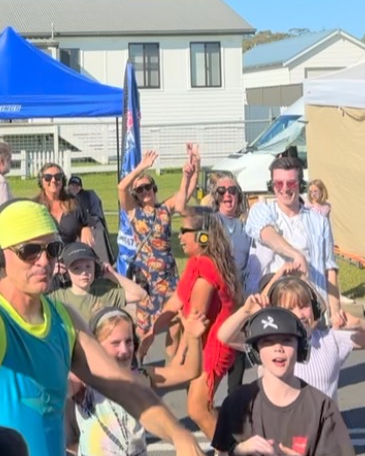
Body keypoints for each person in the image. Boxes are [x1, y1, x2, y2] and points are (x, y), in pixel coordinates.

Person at [0, 168, 206, 456]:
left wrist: (180, 436)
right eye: (29, 251)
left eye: (52, 249)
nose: (44, 261)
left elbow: (125, 386)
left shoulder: (63, 320)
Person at [139, 205, 243, 442]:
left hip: (214, 346)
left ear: (203, 236)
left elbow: (195, 320)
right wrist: (152, 332)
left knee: (198, 409)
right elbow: (175, 302)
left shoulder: (207, 270)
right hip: (203, 341)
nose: (179, 236)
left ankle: (231, 454)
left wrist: (180, 357)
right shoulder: (196, 262)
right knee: (200, 407)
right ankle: (227, 446)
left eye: (184, 231)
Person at [212, 306, 355, 456]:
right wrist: (240, 450)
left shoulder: (322, 406)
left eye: (287, 340)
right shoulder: (238, 402)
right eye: (268, 341)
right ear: (255, 351)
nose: (278, 348)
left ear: (301, 348)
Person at [231, 273, 365, 402]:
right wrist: (245, 312)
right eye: (290, 309)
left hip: (323, 431)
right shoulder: (268, 344)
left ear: (314, 309)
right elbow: (227, 336)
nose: (300, 314)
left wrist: (359, 324)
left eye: (304, 307)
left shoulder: (330, 340)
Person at [114, 144, 202, 336]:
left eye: (148, 187)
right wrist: (142, 167)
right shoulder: (133, 211)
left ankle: (174, 355)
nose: (145, 192)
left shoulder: (164, 208)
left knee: (175, 322)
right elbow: (121, 187)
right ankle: (139, 354)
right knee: (144, 328)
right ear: (135, 194)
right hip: (146, 278)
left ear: (154, 189)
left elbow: (186, 192)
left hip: (168, 276)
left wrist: (194, 167)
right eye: (140, 190)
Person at [246, 160, 343, 303]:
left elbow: (330, 268)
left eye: (291, 183)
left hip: (311, 305)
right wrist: (296, 255)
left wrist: (335, 310)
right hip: (272, 305)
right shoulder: (260, 210)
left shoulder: (320, 221)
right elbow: (267, 233)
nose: (285, 189)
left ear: (301, 185)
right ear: (272, 185)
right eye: (279, 183)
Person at [73, 308, 151, 456]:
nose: (124, 350)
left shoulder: (139, 376)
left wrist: (192, 337)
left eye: (129, 341)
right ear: (95, 346)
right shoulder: (85, 382)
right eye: (115, 343)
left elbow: (188, 371)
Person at [50, 239, 148, 335]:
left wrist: (113, 275)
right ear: (66, 273)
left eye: (88, 266)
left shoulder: (104, 293)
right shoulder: (59, 297)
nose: (84, 272)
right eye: (76, 268)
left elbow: (140, 294)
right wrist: (50, 275)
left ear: (96, 267)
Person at [35, 164, 96, 254]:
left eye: (58, 177)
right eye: (48, 177)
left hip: (70, 255)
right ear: (41, 182)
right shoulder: (34, 206)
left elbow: (89, 222)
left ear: (63, 181)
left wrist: (85, 228)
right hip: (43, 256)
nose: (53, 180)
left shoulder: (74, 203)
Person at [206, 176, 255, 280]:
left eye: (232, 190)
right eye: (221, 191)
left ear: (238, 196)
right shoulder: (209, 221)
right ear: (216, 196)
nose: (227, 194)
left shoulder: (247, 223)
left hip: (241, 284)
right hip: (215, 281)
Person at [66, 176, 115, 267]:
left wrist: (90, 223)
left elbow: (96, 213)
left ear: (81, 187)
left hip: (89, 222)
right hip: (72, 223)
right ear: (68, 186)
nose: (74, 187)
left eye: (77, 185)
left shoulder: (89, 195)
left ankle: (102, 263)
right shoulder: (65, 197)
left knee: (98, 231)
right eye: (72, 185)